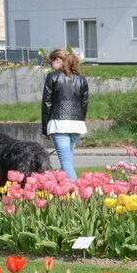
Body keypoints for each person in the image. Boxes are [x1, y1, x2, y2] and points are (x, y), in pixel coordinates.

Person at [41, 48, 88, 181]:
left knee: (66, 164)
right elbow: (84, 103)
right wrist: (80, 121)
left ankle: (76, 193)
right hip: (77, 124)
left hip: (59, 123)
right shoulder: (82, 79)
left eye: (52, 62)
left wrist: (45, 128)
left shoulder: (52, 77)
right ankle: (65, 192)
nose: (51, 66)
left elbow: (47, 104)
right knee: (67, 160)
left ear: (58, 60)